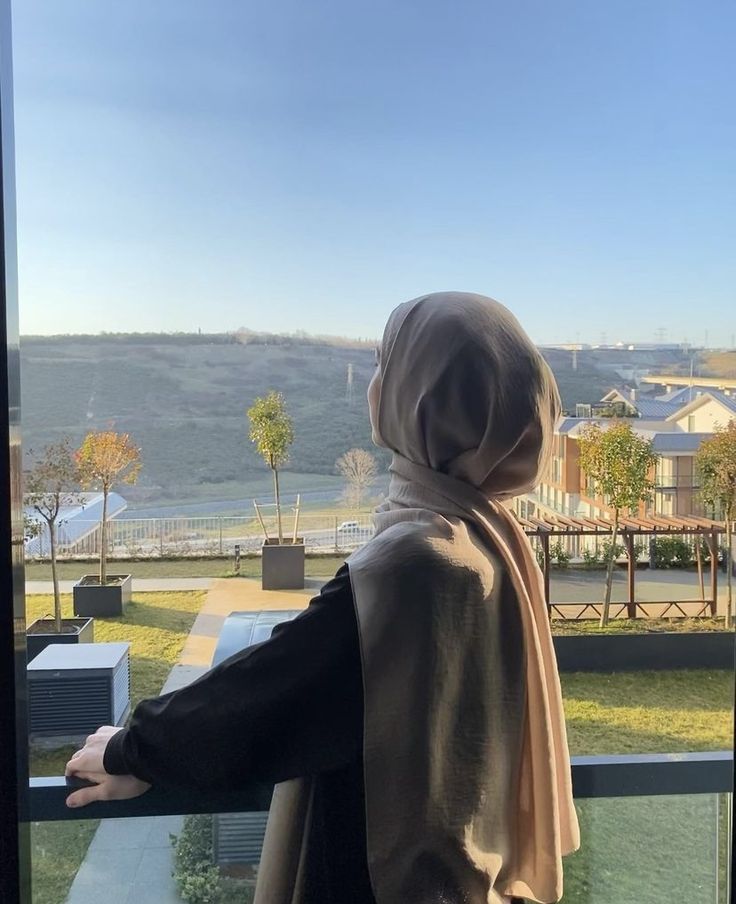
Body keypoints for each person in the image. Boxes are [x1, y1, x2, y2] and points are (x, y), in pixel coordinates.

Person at [65, 292, 580, 904]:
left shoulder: (416, 562)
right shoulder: (494, 538)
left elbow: (270, 694)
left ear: (420, 402)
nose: (374, 385)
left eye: (388, 368)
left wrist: (133, 749)